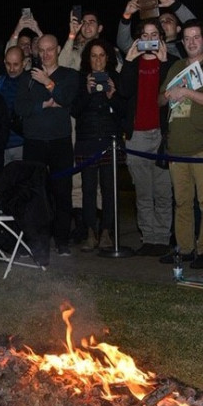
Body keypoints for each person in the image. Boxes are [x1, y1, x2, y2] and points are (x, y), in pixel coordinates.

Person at [158, 20, 203, 270]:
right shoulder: (176, 66)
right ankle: (185, 248)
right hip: (177, 147)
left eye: (196, 37)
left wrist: (186, 92)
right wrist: (169, 94)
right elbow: (160, 99)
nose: (191, 42)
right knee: (182, 202)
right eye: (186, 38)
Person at [15, 33, 81, 257]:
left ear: (58, 49)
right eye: (41, 50)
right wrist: (43, 104)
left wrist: (49, 83)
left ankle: (62, 241)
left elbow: (66, 98)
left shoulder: (70, 75)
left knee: (62, 192)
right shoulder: (27, 77)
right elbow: (20, 108)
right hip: (34, 142)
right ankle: (36, 243)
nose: (45, 54)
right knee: (34, 195)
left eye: (50, 49)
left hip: (60, 141)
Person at [120, 19, 177, 256]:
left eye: (154, 34)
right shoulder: (132, 63)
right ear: (138, 39)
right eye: (145, 35)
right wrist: (129, 62)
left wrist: (163, 64)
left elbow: (169, 95)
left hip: (162, 134)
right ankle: (149, 238)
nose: (150, 39)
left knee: (163, 191)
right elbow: (123, 91)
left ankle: (163, 239)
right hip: (137, 135)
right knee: (143, 193)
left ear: (161, 38)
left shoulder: (172, 62)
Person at [72, 38, 123, 251]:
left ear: (108, 58)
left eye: (102, 55)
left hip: (110, 139)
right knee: (88, 189)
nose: (98, 60)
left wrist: (112, 95)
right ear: (88, 59)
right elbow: (74, 110)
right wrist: (87, 91)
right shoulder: (79, 80)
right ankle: (90, 232)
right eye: (94, 56)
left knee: (110, 189)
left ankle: (106, 233)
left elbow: (123, 112)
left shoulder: (116, 78)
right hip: (87, 141)